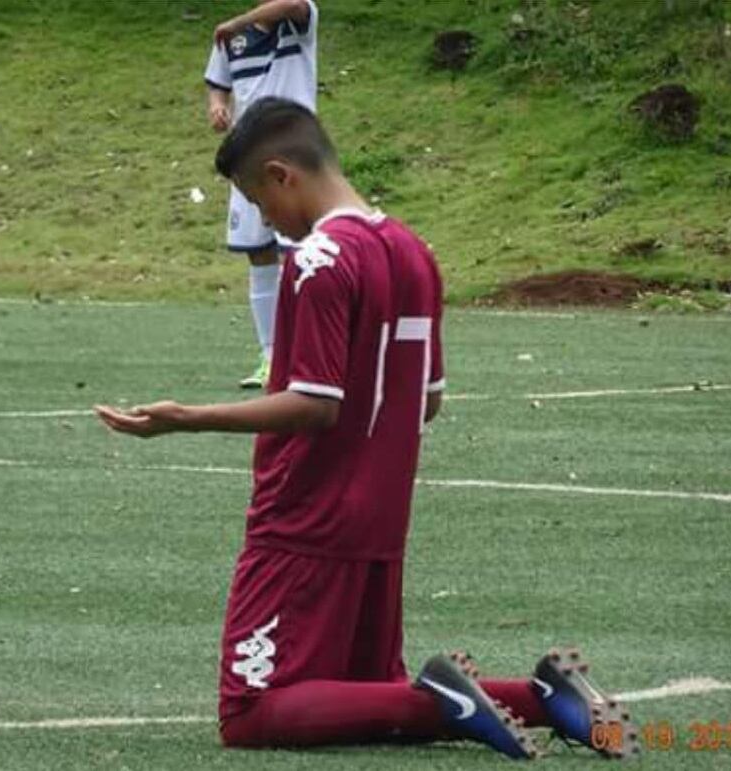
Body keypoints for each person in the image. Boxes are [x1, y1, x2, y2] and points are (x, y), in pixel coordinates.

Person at [97, 98, 636, 760]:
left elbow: (314, 403)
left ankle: (453, 698)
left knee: (251, 711)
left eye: (256, 201)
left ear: (280, 174)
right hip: (380, 520)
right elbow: (426, 399)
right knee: (358, 694)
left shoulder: (319, 259)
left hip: (303, 519)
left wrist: (186, 419)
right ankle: (541, 696)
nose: (264, 220)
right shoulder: (413, 252)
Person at [204, 0, 318, 389]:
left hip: (293, 153)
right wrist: (218, 108)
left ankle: (304, 356)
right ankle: (270, 356)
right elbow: (217, 85)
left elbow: (294, 5)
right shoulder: (229, 41)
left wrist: (238, 21)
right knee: (258, 252)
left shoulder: (298, 23)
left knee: (298, 254)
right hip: (247, 155)